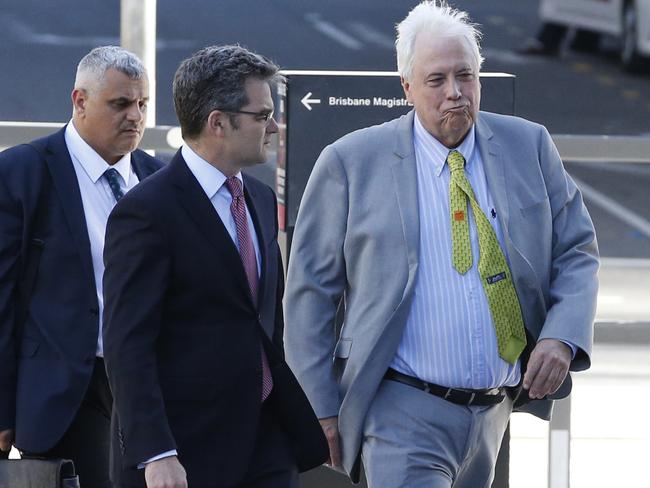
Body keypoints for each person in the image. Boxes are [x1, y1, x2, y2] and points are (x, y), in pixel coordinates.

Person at [283, 1, 599, 487]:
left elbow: (576, 250)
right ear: (407, 87)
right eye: (436, 81)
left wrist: (561, 335)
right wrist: (320, 408)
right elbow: (309, 297)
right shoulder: (350, 162)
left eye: (466, 76)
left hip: (495, 412)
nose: (455, 93)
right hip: (401, 412)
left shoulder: (528, 145)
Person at [102, 45, 328, 488]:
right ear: (218, 122)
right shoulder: (147, 211)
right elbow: (128, 345)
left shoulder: (261, 200)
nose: (275, 127)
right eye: (263, 116)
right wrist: (157, 453)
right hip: (186, 452)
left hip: (267, 440)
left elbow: (265, 320)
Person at [0, 46, 161, 487]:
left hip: (148, 389)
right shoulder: (22, 172)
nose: (135, 116)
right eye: (120, 104)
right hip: (66, 391)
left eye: (143, 104)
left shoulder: (159, 178)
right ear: (80, 101)